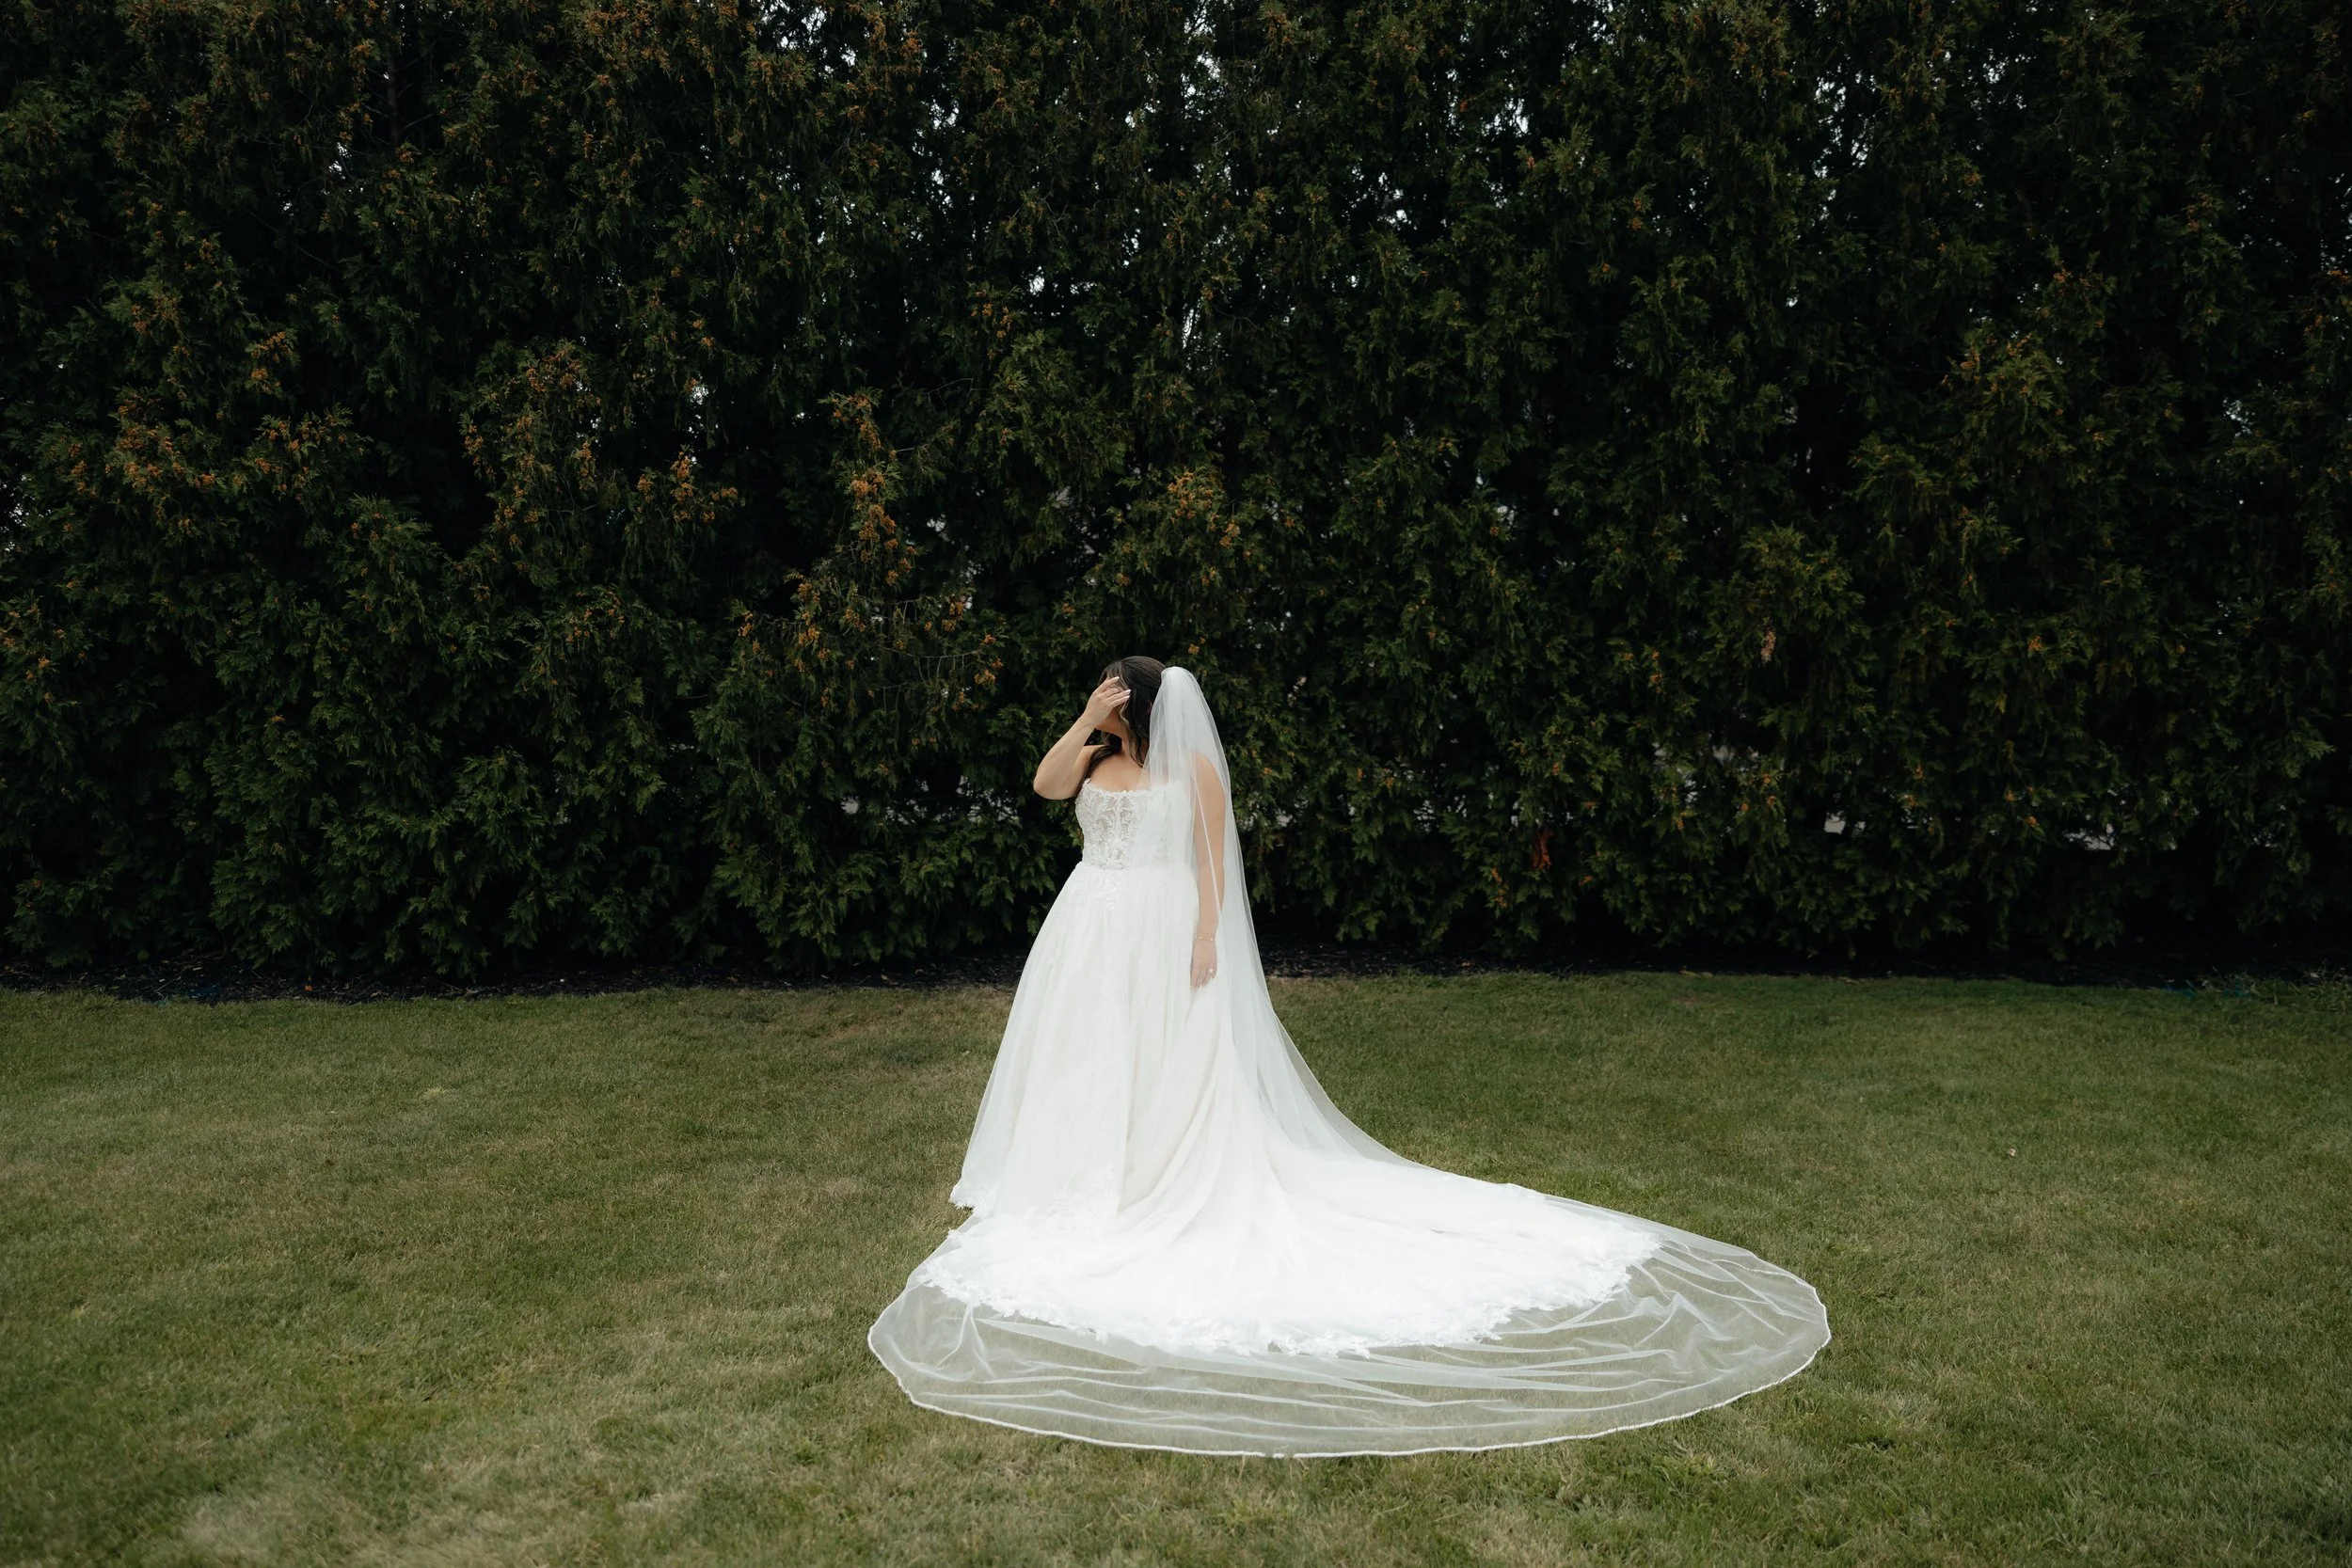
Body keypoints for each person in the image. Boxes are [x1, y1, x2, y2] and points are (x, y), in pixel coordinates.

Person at [869, 659, 1827, 1456]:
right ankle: (1083, 1168)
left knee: (1161, 1058)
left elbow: (1212, 862)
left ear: (1148, 706)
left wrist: (1205, 935)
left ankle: (1151, 1177)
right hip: (1088, 928)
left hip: (1160, 923)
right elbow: (1040, 789)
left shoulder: (1191, 773)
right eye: (1100, 694)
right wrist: (1082, 719)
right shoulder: (1089, 756)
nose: (1106, 704)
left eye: (1117, 695)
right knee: (1086, 1056)